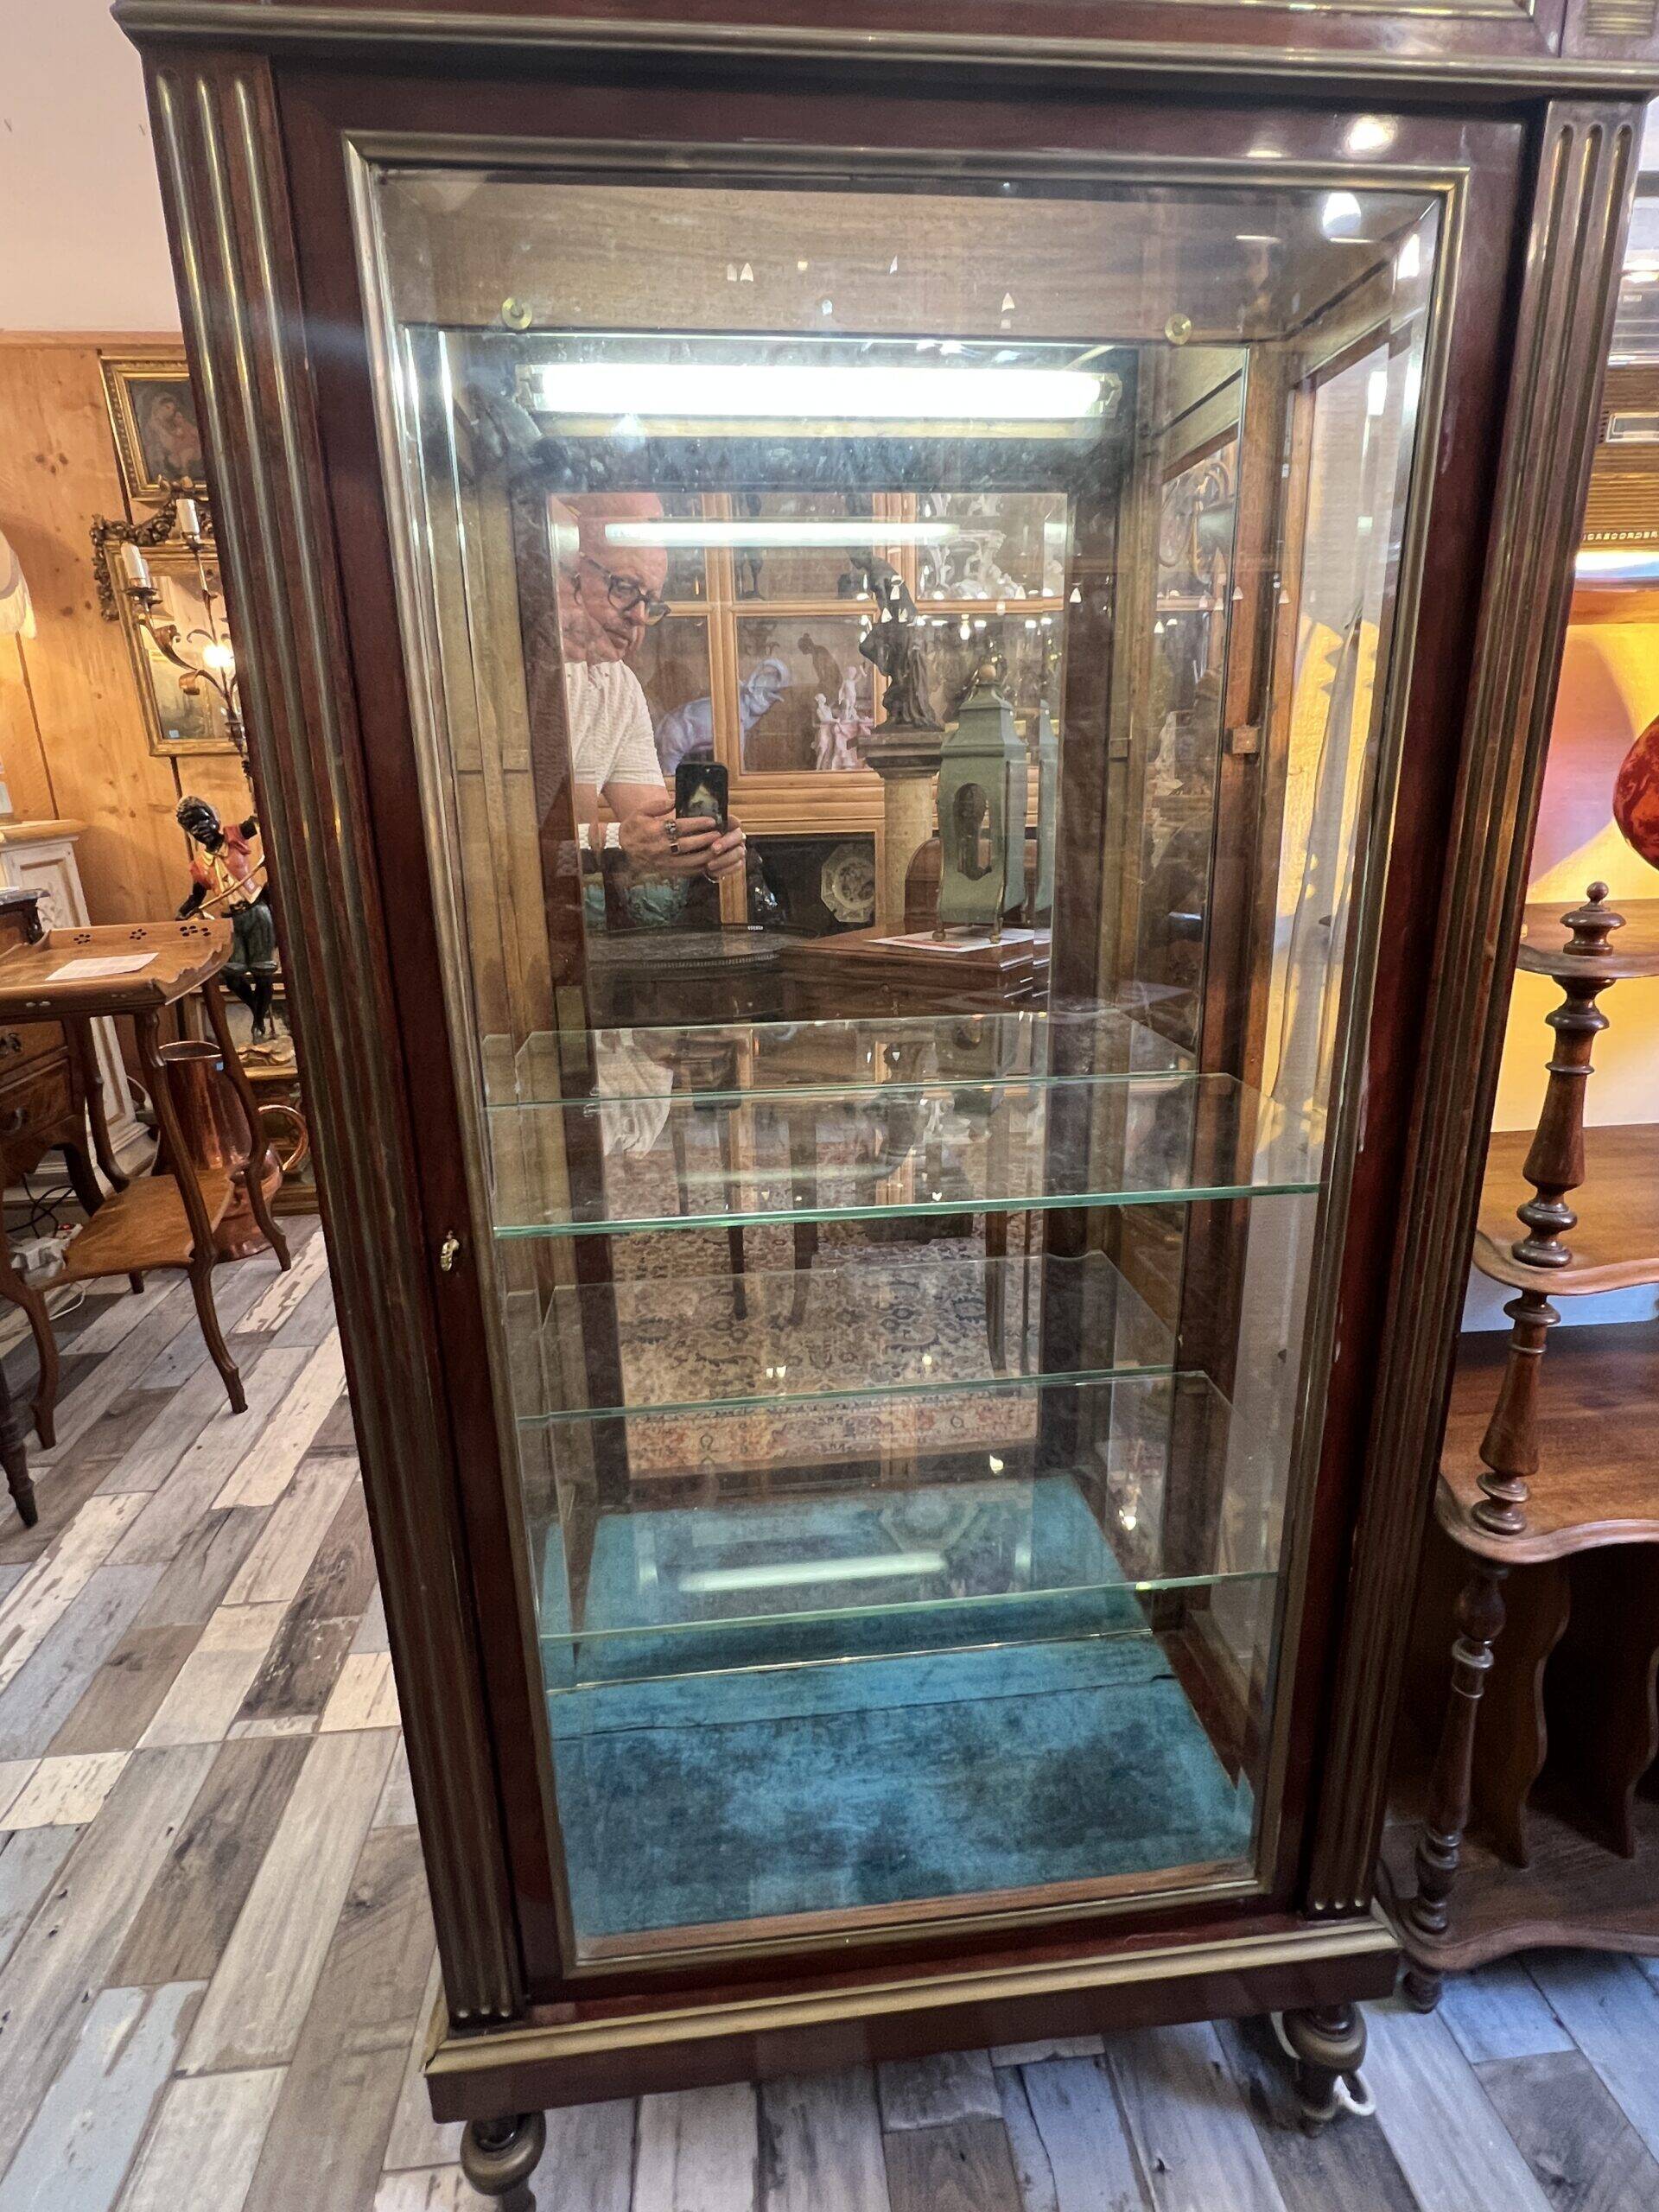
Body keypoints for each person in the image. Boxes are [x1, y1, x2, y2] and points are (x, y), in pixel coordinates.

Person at [533, 492, 745, 892]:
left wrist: (702, 847)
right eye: (625, 587)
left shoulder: (618, 686)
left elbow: (654, 827)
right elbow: (497, 842)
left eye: (650, 602)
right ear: (567, 573)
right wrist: (613, 844)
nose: (639, 617)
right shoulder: (509, 673)